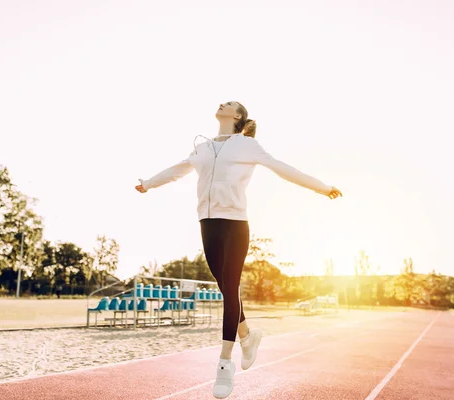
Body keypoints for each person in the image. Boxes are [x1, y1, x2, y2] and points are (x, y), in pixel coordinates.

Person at [135, 101, 342, 398]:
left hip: (235, 223)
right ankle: (247, 336)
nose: (222, 104)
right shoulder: (202, 148)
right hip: (207, 221)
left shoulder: (247, 146)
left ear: (237, 117)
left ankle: (224, 363)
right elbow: (177, 170)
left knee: (230, 287)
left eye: (229, 104)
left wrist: (322, 187)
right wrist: (148, 184)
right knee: (225, 289)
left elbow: (284, 169)